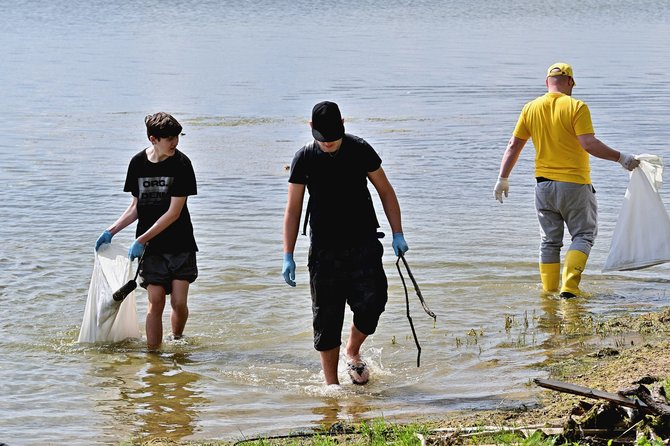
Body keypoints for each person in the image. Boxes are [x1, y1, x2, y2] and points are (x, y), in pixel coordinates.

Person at [282, 101, 408, 385]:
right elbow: (293, 209)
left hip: (363, 241)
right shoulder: (304, 157)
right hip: (325, 250)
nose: (328, 144)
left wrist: (398, 233)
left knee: (374, 303)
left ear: (343, 123)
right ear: (311, 128)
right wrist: (287, 254)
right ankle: (332, 385)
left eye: (333, 139)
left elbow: (386, 192)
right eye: (322, 140)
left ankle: (352, 350)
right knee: (326, 316)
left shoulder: (360, 149)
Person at [494, 63, 639, 298]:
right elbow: (588, 144)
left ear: (546, 82)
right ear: (570, 82)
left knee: (549, 241)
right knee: (583, 235)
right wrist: (621, 158)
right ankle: (569, 290)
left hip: (543, 187)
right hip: (574, 185)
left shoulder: (530, 108)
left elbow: (513, 145)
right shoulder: (576, 106)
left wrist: (502, 178)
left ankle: (548, 293)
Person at [95, 112, 198, 350]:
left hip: (180, 243)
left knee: (179, 303)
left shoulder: (182, 164)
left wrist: (140, 239)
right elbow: (135, 207)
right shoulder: (137, 163)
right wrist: (111, 231)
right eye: (169, 138)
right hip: (151, 250)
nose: (175, 142)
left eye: (177, 136)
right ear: (153, 139)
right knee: (155, 301)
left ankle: (177, 340)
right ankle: (154, 359)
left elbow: (174, 212)